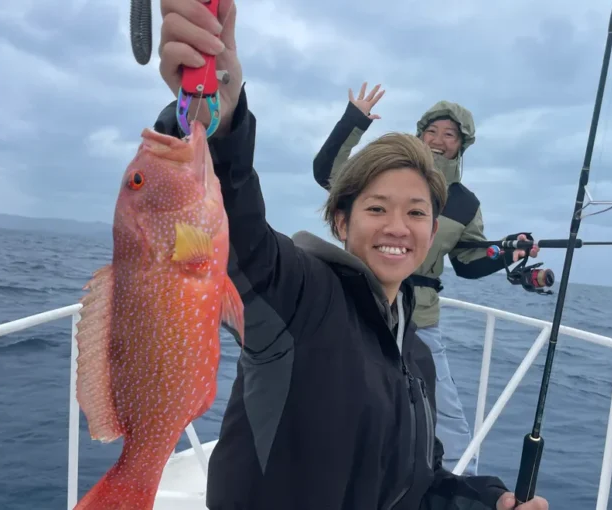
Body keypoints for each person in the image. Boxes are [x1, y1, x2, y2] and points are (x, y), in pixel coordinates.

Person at [155, 0, 549, 508]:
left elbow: (415, 487)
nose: (397, 227)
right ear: (341, 221)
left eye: (416, 213)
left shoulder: (416, 359)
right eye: (377, 208)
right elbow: (236, 239)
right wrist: (214, 117)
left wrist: (488, 502)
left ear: (431, 231)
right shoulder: (297, 298)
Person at [313, 83, 541, 475]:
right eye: (431, 131)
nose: (438, 140)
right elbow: (328, 172)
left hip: (421, 322)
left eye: (449, 134)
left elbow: (467, 261)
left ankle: (454, 487)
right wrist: (355, 120)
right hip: (356, 306)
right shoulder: (386, 175)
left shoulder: (466, 203)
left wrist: (507, 252)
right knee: (337, 400)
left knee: (444, 418)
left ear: (462, 144)